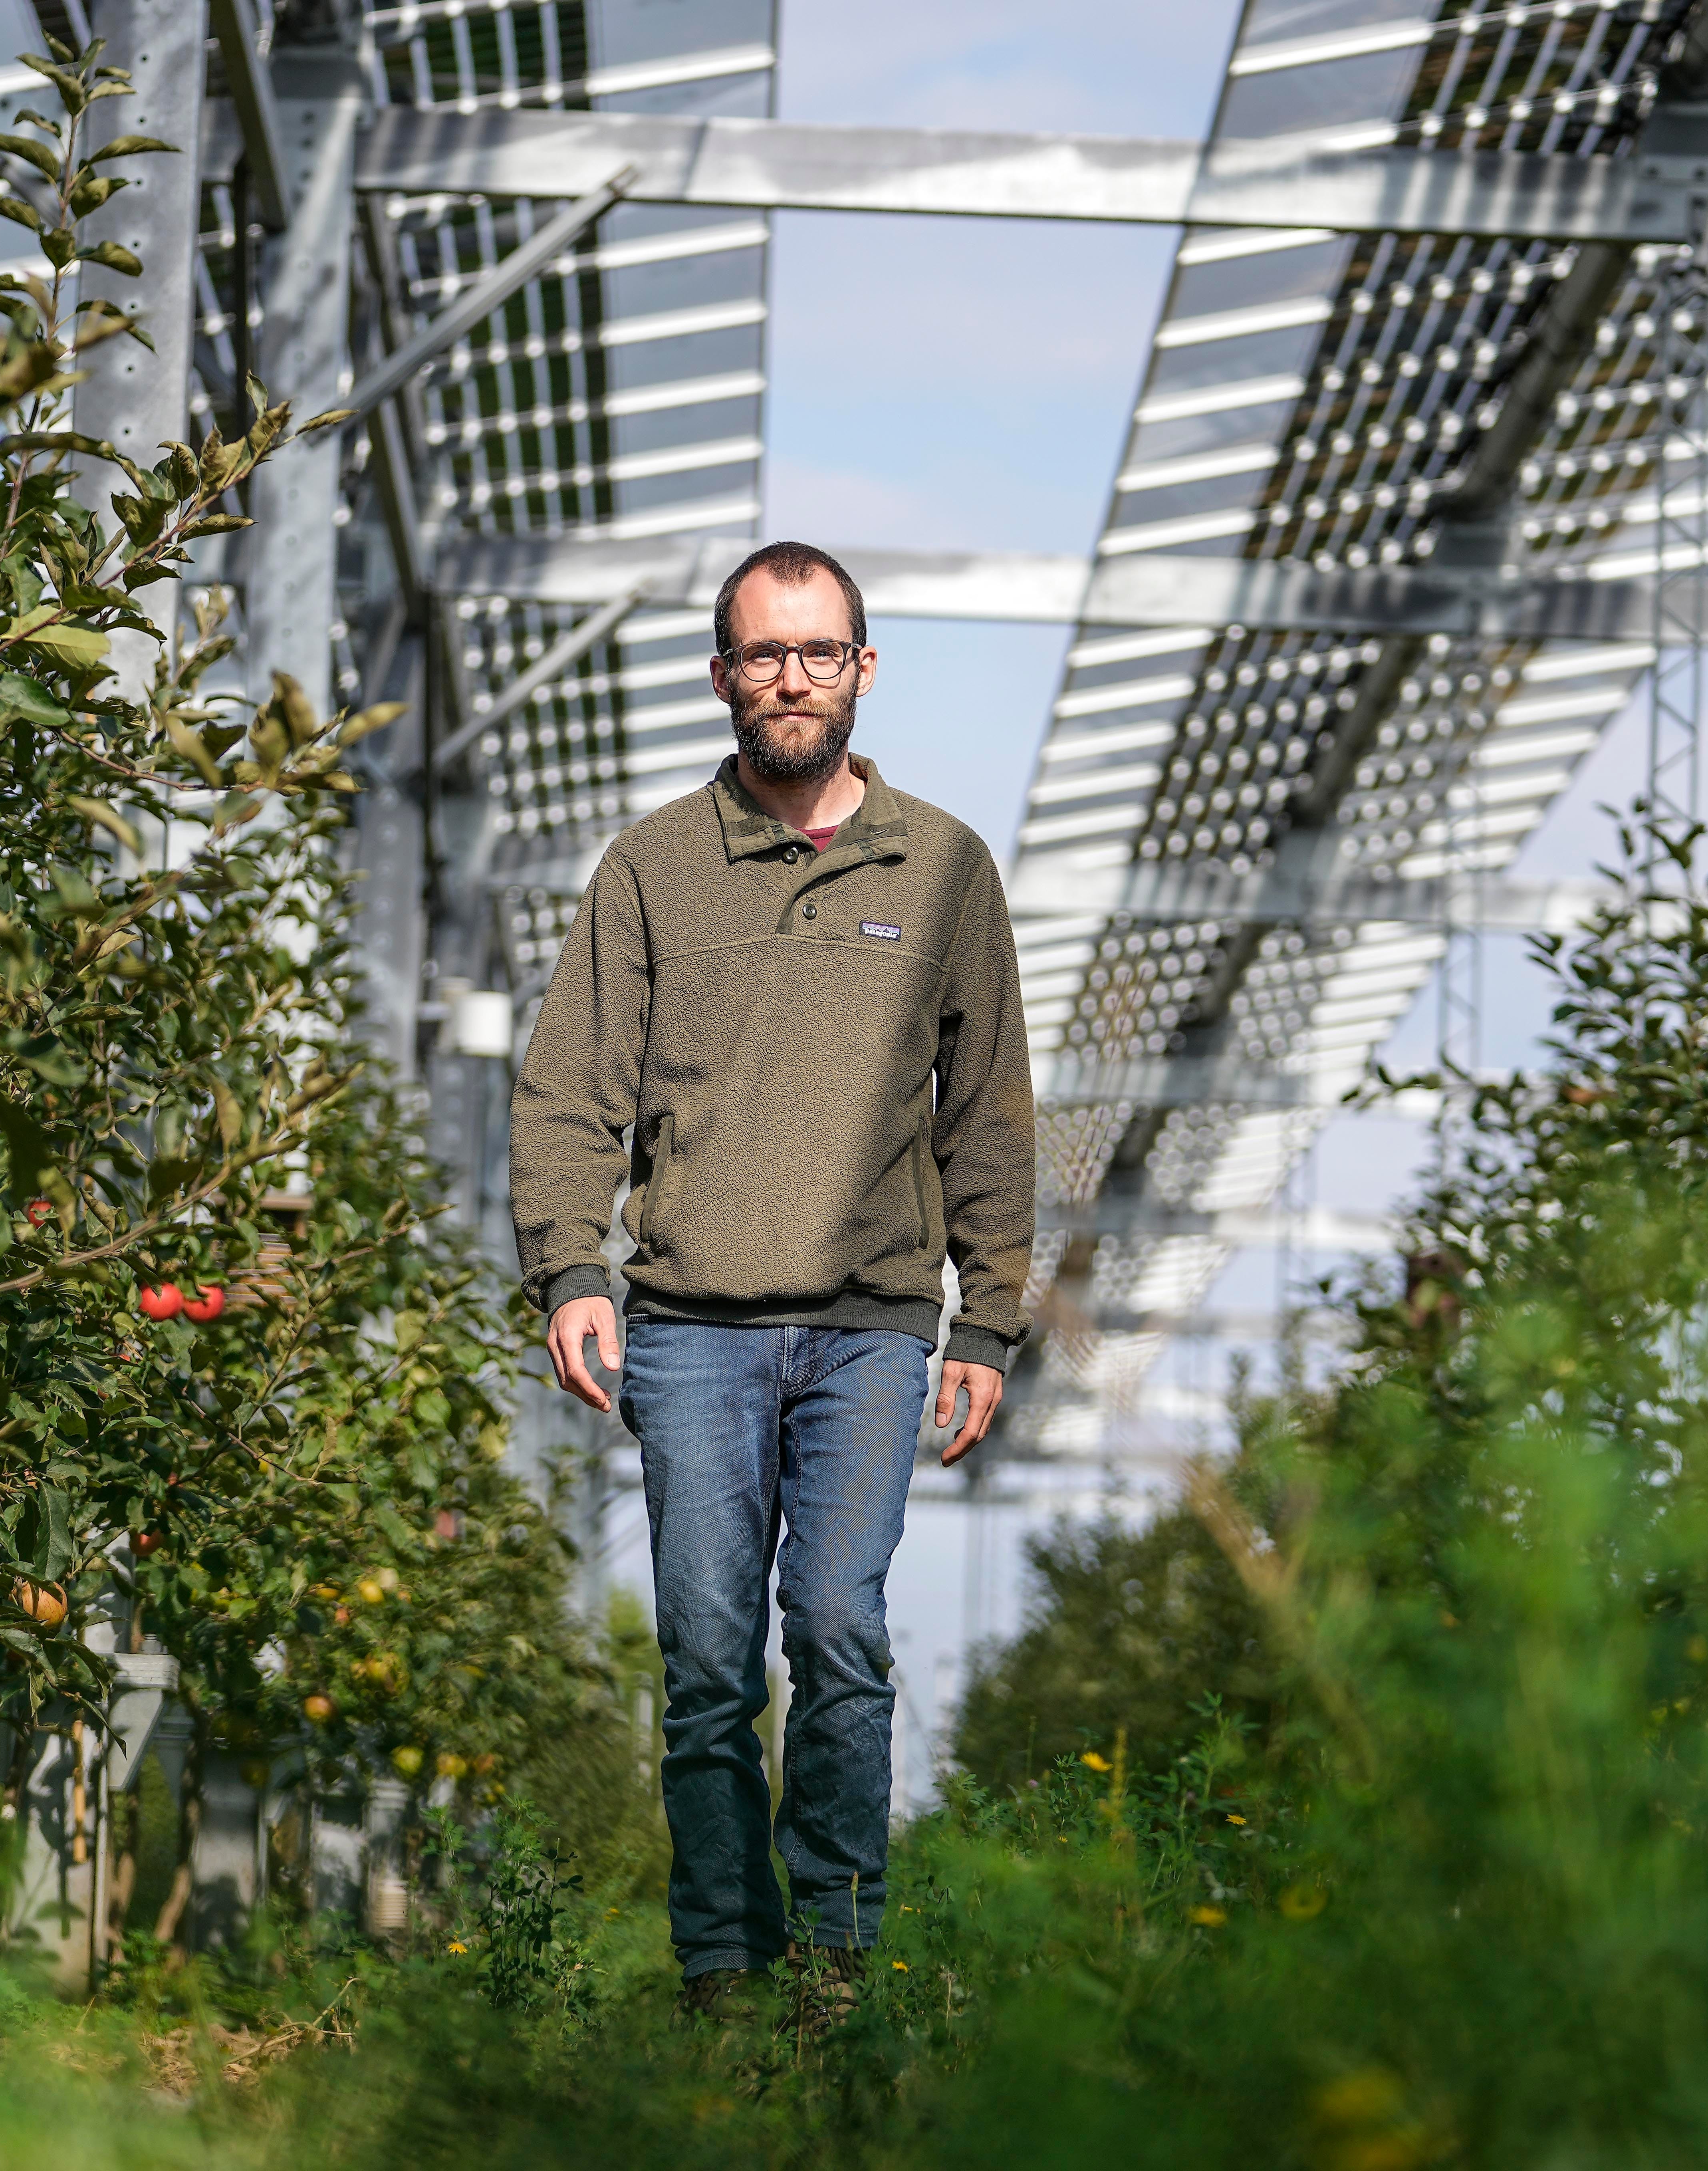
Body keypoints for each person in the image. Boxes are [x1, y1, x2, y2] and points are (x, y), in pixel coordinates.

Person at [509, 539, 1035, 2024]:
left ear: (864, 670)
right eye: (762, 653)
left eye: (818, 652)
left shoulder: (942, 869)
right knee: (710, 1665)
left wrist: (986, 1312)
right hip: (687, 1329)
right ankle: (726, 1973)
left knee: (845, 1633)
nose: (790, 678)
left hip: (872, 1326)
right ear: (723, 674)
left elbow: (989, 1108)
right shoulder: (653, 868)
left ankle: (840, 1966)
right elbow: (566, 1093)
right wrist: (570, 1269)